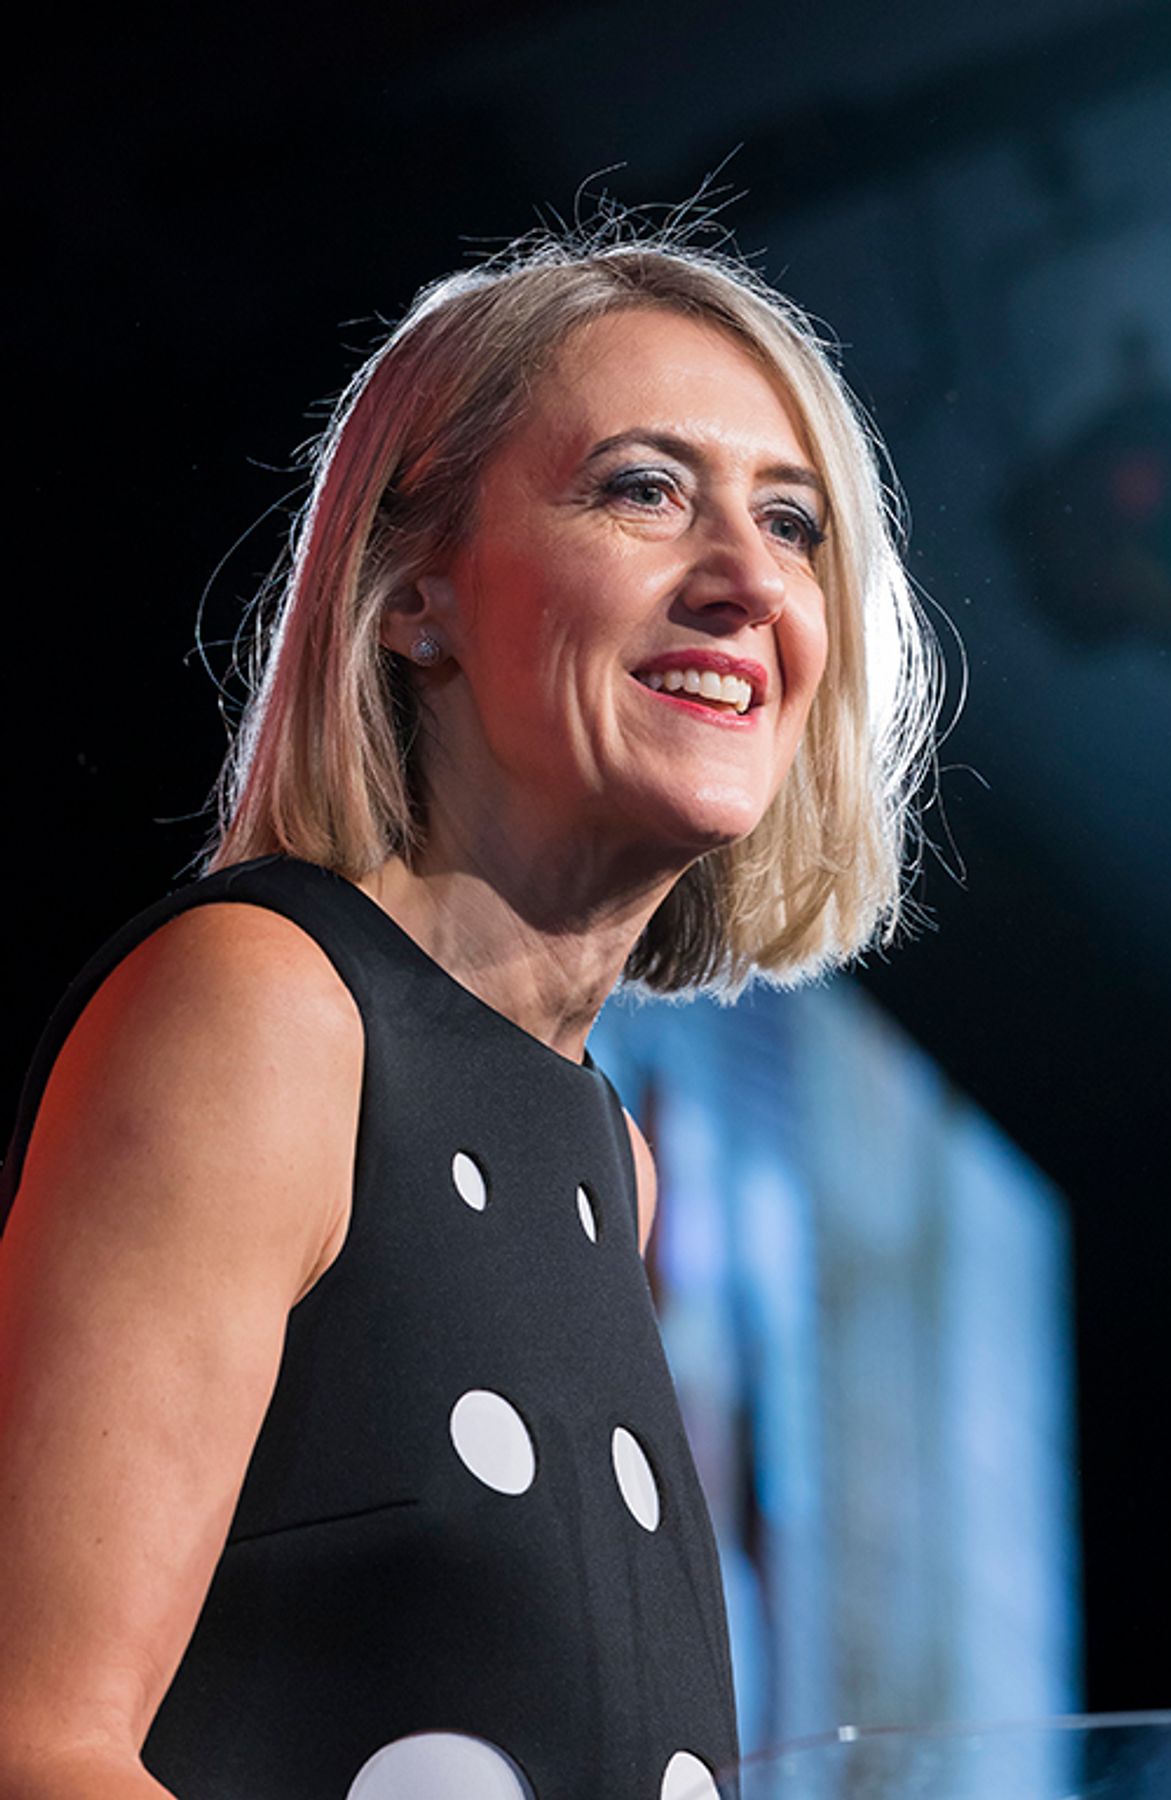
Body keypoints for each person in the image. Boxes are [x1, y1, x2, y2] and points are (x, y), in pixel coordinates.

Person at [0, 234, 938, 1800]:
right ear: (412, 595)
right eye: (646, 489)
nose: (750, 579)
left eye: (792, 523)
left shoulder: (612, 1162)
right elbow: (32, 1741)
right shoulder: (266, 1011)